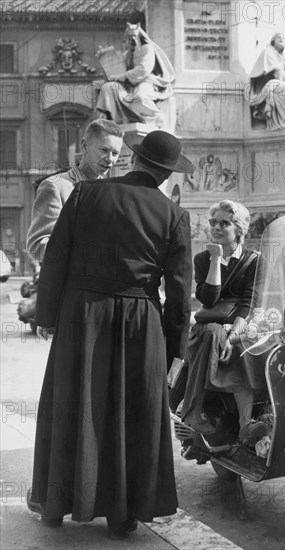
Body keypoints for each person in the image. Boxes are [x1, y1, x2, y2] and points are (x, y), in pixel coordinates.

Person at [26, 131, 194, 540]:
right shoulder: (173, 215)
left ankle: (54, 505)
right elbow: (179, 293)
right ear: (167, 174)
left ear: (134, 159)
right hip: (140, 322)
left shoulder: (84, 194)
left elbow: (56, 262)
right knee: (130, 413)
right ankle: (122, 515)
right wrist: (175, 349)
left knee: (71, 402)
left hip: (82, 315)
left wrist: (47, 316)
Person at [181, 200, 267, 446]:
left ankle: (246, 424)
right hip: (211, 323)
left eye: (224, 223)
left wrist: (234, 335)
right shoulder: (202, 259)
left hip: (241, 323)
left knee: (249, 347)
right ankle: (195, 411)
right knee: (211, 335)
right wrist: (216, 261)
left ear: (239, 229)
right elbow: (208, 299)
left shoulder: (255, 260)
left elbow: (249, 301)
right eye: (213, 223)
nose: (216, 228)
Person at [26, 119, 124, 263]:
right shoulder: (55, 186)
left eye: (115, 153)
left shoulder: (114, 192)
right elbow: (37, 247)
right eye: (104, 150)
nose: (110, 159)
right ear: (84, 146)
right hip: (71, 283)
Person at [96, 23, 175, 125]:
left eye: (134, 36)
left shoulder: (147, 48)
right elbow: (114, 73)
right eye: (129, 37)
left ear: (139, 36)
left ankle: (155, 117)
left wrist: (123, 76)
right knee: (108, 87)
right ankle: (113, 120)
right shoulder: (126, 55)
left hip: (146, 81)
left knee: (139, 97)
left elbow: (144, 69)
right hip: (128, 85)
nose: (132, 40)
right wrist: (104, 60)